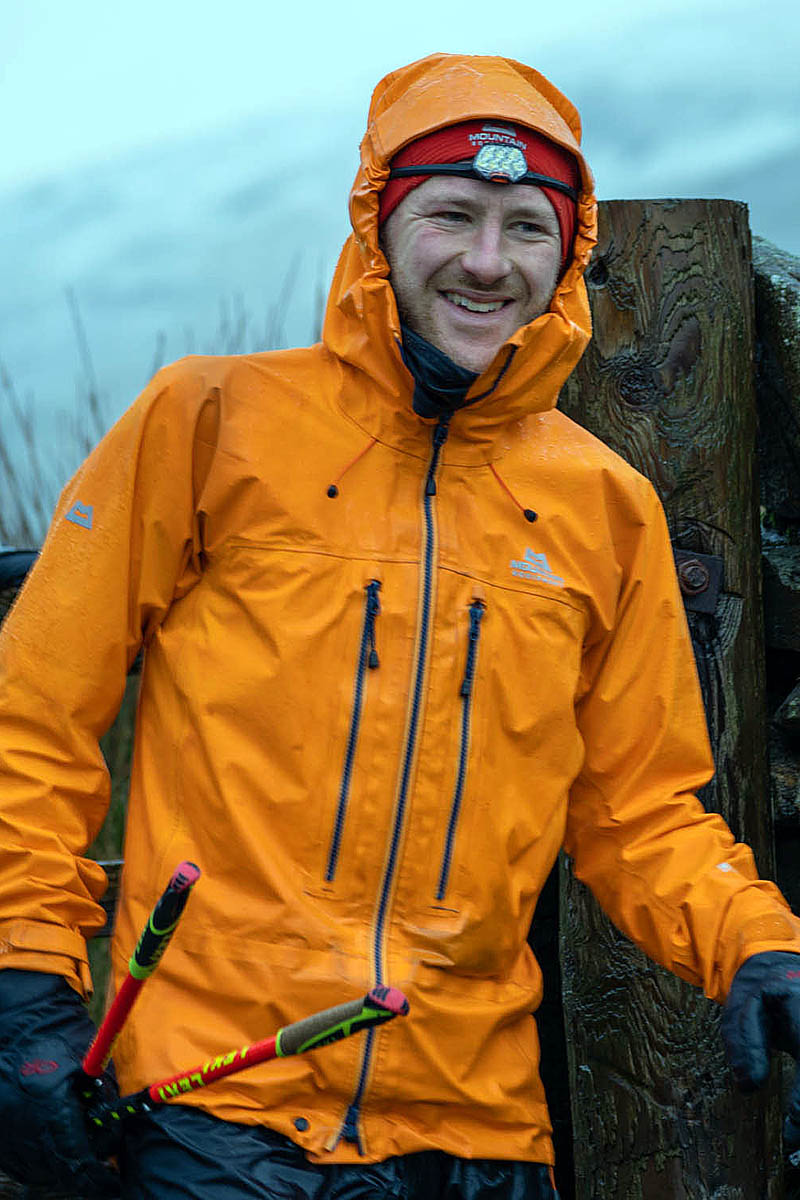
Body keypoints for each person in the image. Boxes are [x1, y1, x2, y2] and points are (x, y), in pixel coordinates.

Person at [1, 51, 800, 1200]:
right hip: (213, 1116)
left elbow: (638, 812)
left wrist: (756, 944)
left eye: (526, 228)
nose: (486, 261)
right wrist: (23, 979)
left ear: (567, 253)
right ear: (378, 222)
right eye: (451, 216)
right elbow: (32, 718)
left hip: (479, 1134)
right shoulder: (206, 421)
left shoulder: (602, 507)